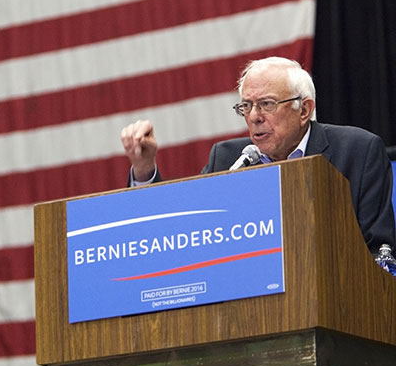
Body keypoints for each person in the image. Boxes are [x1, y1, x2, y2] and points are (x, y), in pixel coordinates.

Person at [120, 56, 395, 254]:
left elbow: (379, 254)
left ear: (304, 110)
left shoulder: (358, 151)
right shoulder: (228, 159)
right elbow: (184, 232)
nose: (254, 117)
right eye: (246, 106)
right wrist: (144, 170)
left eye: (266, 104)